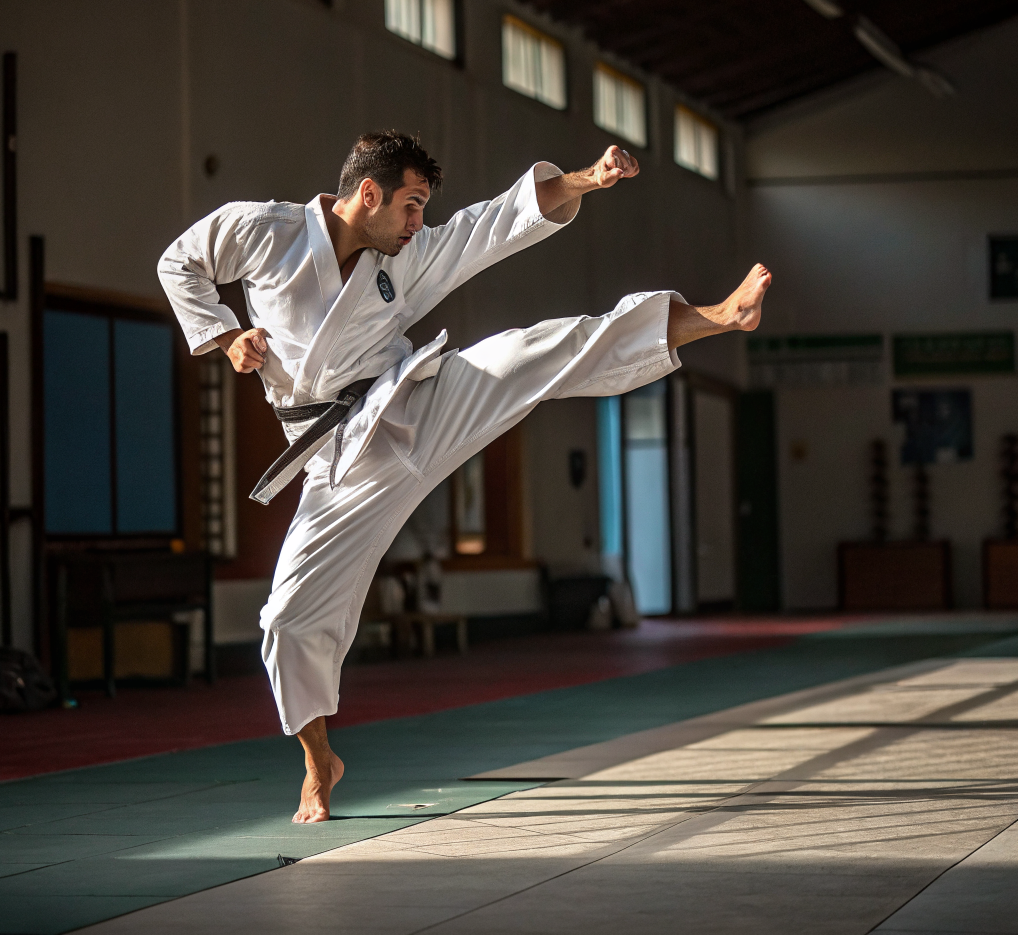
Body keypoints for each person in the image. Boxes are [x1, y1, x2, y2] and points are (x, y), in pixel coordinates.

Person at [158, 131, 771, 823]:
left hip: (413, 401)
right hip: (339, 460)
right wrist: (223, 334)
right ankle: (317, 762)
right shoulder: (266, 230)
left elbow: (493, 224)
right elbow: (179, 262)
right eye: (412, 205)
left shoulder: (407, 254)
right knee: (287, 620)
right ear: (369, 194)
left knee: (530, 354)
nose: (420, 223)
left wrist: (586, 181)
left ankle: (717, 317)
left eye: (423, 209)